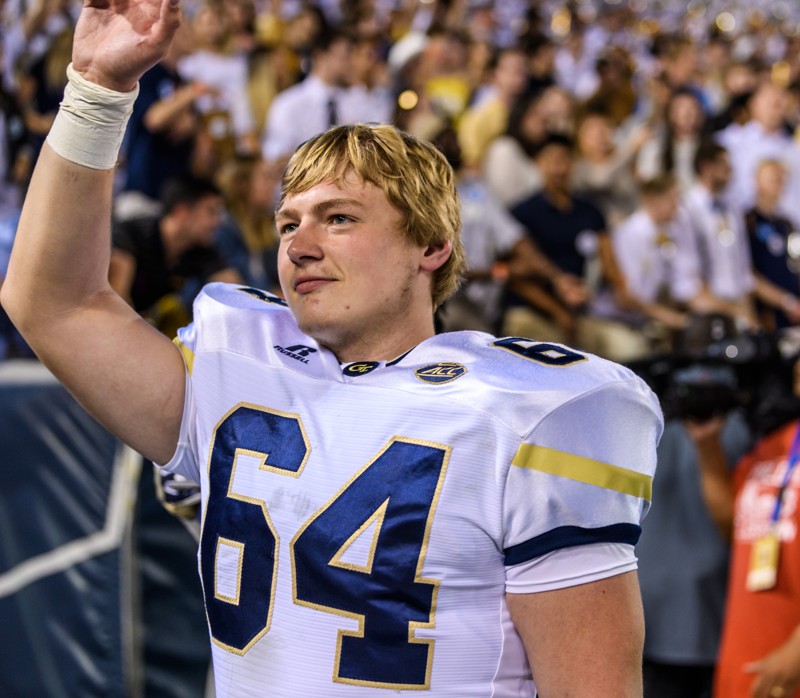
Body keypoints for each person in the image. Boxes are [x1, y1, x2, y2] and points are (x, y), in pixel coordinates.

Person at [1, 2, 662, 696]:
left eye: (339, 218)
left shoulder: (529, 410)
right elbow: (53, 300)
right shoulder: (236, 366)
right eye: (288, 223)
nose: (301, 244)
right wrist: (95, 91)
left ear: (431, 246)